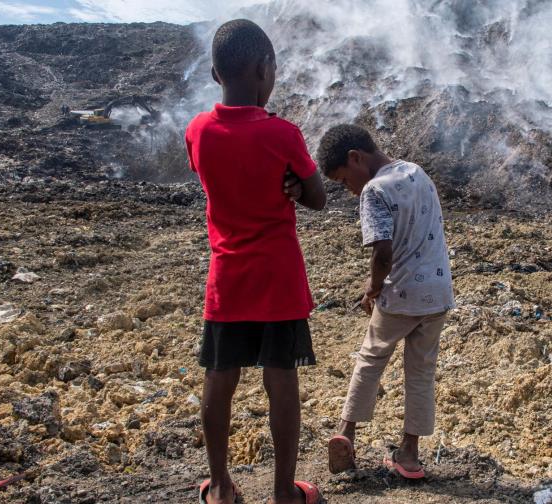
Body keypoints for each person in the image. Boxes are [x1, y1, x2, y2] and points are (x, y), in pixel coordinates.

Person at [184, 19, 326, 504]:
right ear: (265, 69)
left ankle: (221, 487)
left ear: (213, 74)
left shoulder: (198, 131)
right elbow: (318, 197)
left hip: (227, 278)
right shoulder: (283, 133)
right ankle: (285, 492)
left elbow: (217, 176)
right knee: (280, 377)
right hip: (278, 278)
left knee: (220, 377)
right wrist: (292, 184)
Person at [316, 124, 455, 479]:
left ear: (355, 158)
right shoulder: (417, 172)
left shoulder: (374, 190)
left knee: (371, 358)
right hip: (437, 293)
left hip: (401, 295)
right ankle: (409, 455)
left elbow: (383, 251)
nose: (349, 190)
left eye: (344, 180)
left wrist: (373, 288)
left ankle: (346, 433)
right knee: (421, 372)